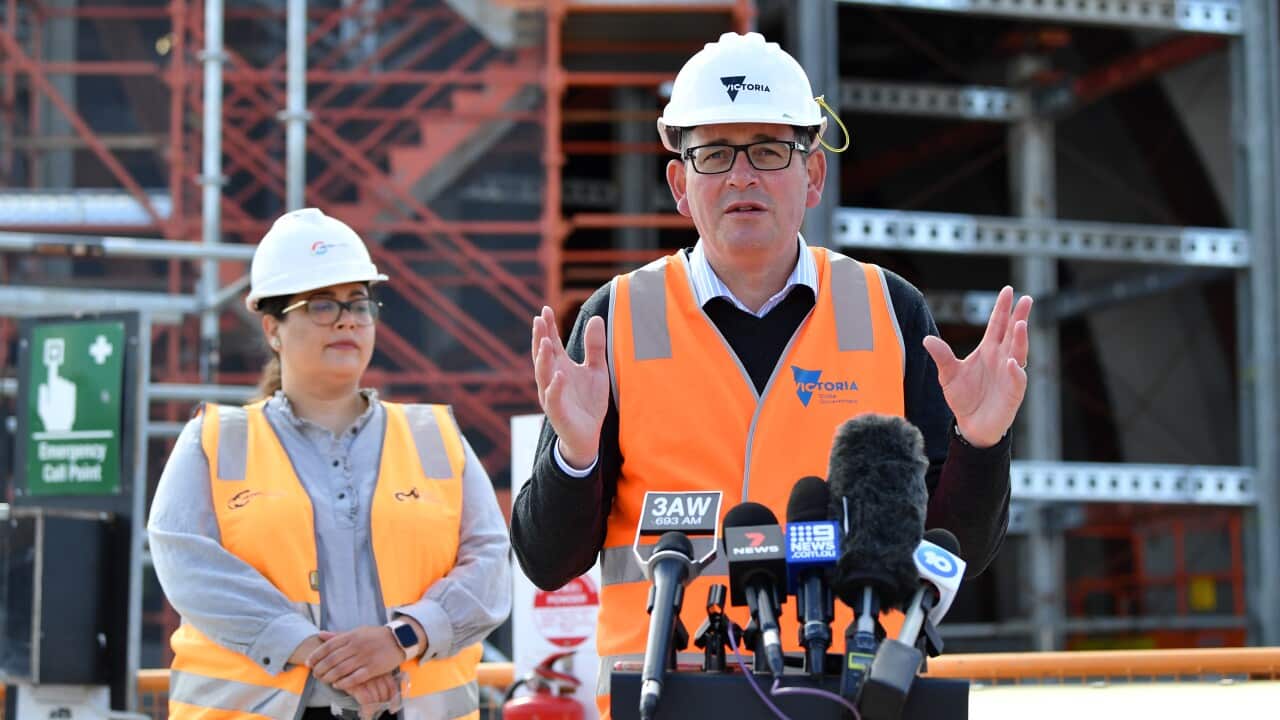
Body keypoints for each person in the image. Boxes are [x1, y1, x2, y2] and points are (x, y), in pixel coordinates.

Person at [511, 32, 1031, 715]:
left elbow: (955, 551)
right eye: (714, 153)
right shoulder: (617, 320)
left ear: (812, 175)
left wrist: (981, 445)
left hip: (851, 691)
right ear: (679, 183)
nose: (741, 175)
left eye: (768, 149)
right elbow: (548, 562)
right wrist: (575, 458)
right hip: (665, 694)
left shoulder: (890, 311)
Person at [148, 208, 511, 720]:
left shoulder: (435, 438)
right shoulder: (215, 440)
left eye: (359, 305)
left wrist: (401, 638)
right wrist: (319, 654)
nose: (346, 320)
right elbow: (189, 564)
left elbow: (491, 565)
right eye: (321, 305)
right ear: (273, 329)